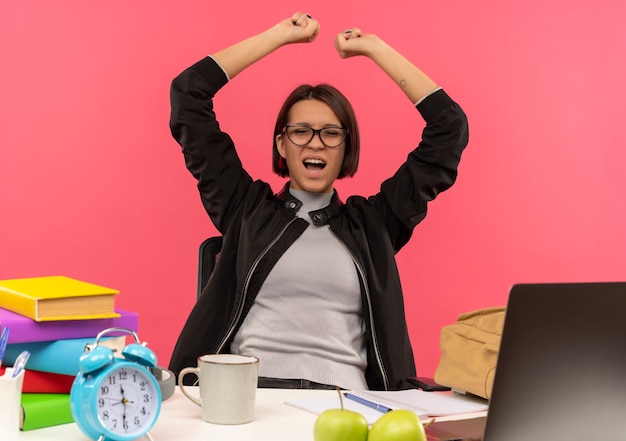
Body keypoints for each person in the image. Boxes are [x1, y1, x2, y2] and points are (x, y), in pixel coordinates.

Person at [168, 12, 469, 391]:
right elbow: (188, 94)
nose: (314, 143)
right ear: (281, 143)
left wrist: (375, 49)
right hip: (251, 398)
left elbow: (449, 127)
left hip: (345, 403)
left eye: (331, 133)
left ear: (347, 148)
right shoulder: (245, 209)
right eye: (300, 132)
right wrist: (277, 36)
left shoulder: (374, 224)